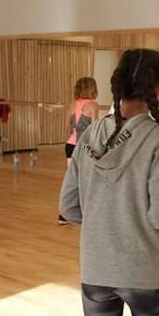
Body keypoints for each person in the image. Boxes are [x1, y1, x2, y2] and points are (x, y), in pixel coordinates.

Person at [59, 48, 159, 316]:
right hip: (143, 275)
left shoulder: (90, 135)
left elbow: (68, 207)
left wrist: (102, 223)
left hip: (95, 271)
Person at [58, 77, 99, 225]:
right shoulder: (93, 105)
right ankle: (84, 212)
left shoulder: (72, 105)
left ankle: (64, 214)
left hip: (69, 145)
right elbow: (95, 129)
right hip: (84, 147)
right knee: (85, 179)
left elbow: (67, 128)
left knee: (72, 179)